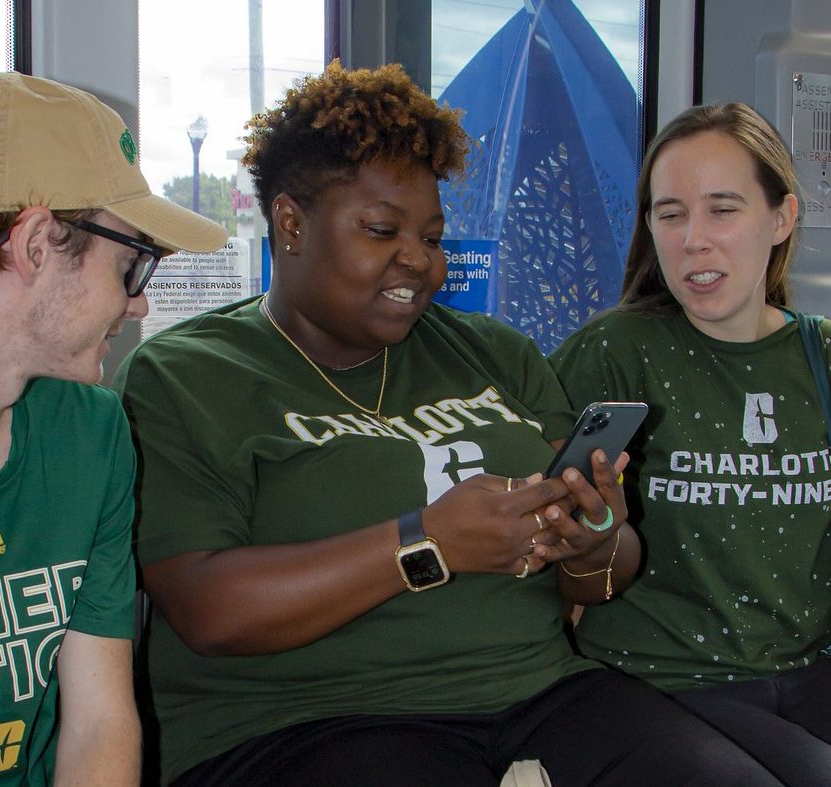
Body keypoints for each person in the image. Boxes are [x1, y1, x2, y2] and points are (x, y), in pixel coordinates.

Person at [115, 64, 783, 786]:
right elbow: (208, 612)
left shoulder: (494, 352)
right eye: (381, 230)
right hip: (302, 721)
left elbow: (602, 574)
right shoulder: (184, 376)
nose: (420, 261)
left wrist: (591, 537)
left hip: (540, 695)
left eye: (432, 236)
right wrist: (426, 542)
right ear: (290, 222)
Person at [0, 71, 228, 785]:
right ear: (38, 242)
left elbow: (98, 723)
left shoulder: (91, 432)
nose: (138, 306)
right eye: (133, 265)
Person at [551, 102, 831, 785]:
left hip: (809, 670)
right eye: (670, 213)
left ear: (782, 218)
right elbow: (550, 535)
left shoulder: (820, 354)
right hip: (658, 681)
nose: (693, 240)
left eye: (723, 209)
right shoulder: (616, 353)